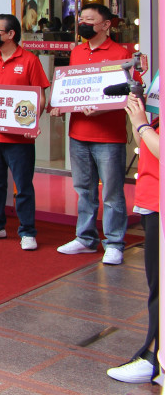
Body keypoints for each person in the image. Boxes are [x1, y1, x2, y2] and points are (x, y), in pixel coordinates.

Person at [56, 3, 133, 265]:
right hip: (78, 132)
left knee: (112, 192)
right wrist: (61, 105)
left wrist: (100, 109)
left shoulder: (121, 53)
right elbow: (72, 87)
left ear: (106, 24)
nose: (83, 23)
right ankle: (85, 238)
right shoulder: (77, 51)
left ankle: (114, 242)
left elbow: (126, 94)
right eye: (81, 19)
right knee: (83, 189)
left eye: (89, 19)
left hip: (108, 136)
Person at [0, 14, 50, 250]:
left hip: (19, 138)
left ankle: (27, 231)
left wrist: (33, 123)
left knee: (23, 185)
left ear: (10, 34)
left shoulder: (29, 60)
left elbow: (41, 96)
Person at [106, 94, 159, 384]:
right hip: (152, 202)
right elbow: (149, 150)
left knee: (159, 290)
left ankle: (154, 360)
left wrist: (140, 125)